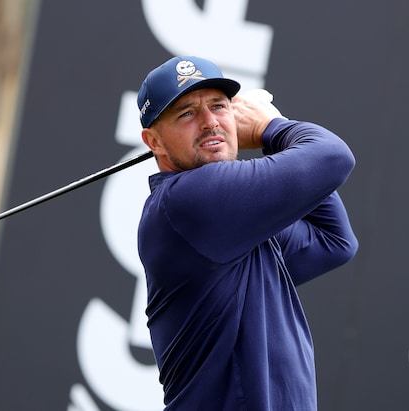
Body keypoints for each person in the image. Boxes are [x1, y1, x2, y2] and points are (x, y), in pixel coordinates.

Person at [136, 56, 359, 410]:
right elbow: (333, 157)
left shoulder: (232, 222)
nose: (210, 122)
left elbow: (334, 241)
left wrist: (272, 137)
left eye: (219, 106)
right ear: (155, 142)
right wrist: (271, 127)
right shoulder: (189, 201)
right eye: (187, 114)